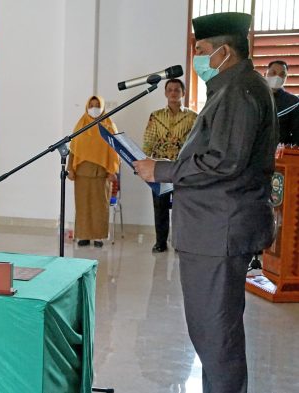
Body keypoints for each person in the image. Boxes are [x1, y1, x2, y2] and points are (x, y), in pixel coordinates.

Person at [134, 12, 277, 393]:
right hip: (212, 228)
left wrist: (163, 170)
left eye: (201, 51)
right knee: (212, 331)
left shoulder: (239, 92)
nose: (197, 59)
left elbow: (224, 160)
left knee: (217, 334)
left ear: (225, 52)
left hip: (221, 229)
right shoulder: (230, 88)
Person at [142, 79, 198, 253]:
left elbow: (196, 143)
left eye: (177, 90)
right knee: (160, 206)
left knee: (182, 207)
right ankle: (160, 242)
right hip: (160, 169)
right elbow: (148, 142)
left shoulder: (192, 117)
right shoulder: (156, 116)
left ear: (183, 93)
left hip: (183, 168)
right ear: (166, 93)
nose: (173, 93)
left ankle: (182, 242)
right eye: (170, 90)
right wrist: (144, 162)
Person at [67, 96, 119, 248]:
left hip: (102, 174)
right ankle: (83, 235)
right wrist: (70, 169)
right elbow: (73, 150)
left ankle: (99, 237)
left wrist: (113, 170)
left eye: (97, 105)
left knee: (100, 205)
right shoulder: (80, 126)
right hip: (82, 173)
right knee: (83, 206)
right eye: (91, 105)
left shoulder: (109, 126)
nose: (94, 108)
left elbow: (115, 151)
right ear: (86, 107)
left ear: (103, 107)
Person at [265, 60, 299, 145]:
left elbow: (297, 135)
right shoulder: (253, 97)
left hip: (279, 152)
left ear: (286, 78)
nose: (277, 77)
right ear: (265, 74)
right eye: (273, 73)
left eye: (282, 75)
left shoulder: (292, 103)